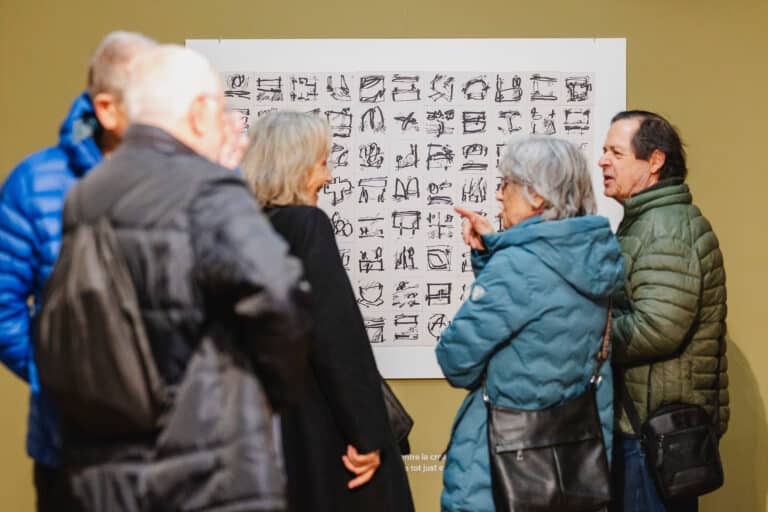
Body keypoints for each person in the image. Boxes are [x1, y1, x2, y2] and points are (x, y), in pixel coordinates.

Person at [56, 45, 309, 510]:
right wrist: (268, 395)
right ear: (198, 112)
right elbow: (279, 297)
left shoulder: (87, 193)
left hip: (104, 466)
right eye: (222, 108)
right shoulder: (209, 189)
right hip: (205, 464)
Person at [0, 31, 155, 511]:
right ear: (106, 110)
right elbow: (3, 308)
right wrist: (63, 378)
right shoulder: (36, 182)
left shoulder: (180, 176)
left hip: (175, 448)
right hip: (71, 448)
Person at [437, 136, 625, 512]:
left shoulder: (518, 267)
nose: (499, 195)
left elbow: (456, 361)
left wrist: (498, 264)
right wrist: (493, 254)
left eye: (506, 183)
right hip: (573, 467)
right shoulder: (597, 257)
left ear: (538, 197)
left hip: (499, 471)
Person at [240, 110, 414, 512]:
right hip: (323, 435)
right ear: (295, 167)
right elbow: (337, 338)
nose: (328, 177)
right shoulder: (306, 225)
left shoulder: (245, 230)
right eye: (322, 163)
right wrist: (369, 436)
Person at [600, 110, 729, 512]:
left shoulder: (666, 228)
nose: (603, 161)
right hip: (647, 431)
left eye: (616, 153)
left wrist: (591, 336)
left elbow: (657, 327)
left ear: (654, 161)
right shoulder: (645, 221)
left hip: (650, 438)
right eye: (604, 151)